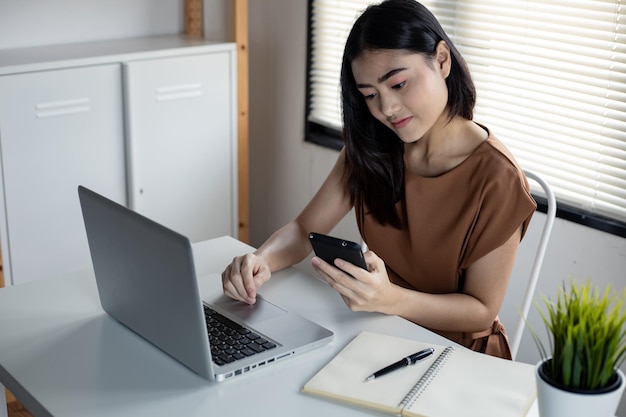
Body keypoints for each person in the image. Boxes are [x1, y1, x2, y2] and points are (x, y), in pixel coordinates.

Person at [222, 0, 536, 360]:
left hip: (459, 354)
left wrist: (391, 300)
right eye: (370, 94)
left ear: (442, 60)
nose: (386, 108)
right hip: (380, 332)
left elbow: (481, 309)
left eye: (399, 84)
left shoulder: (498, 179)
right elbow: (303, 229)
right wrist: (258, 261)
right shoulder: (372, 147)